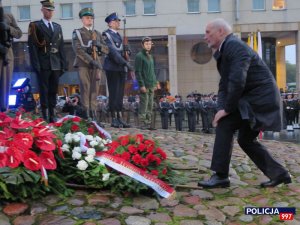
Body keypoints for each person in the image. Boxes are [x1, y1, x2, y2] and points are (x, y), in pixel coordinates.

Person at [198, 18, 291, 189]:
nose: (205, 37)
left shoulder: (234, 46)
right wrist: (221, 108)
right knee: (246, 139)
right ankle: (279, 174)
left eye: (208, 32)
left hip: (259, 100)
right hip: (253, 100)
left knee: (225, 125)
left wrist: (226, 110)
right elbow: (224, 86)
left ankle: (220, 176)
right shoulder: (226, 49)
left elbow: (237, 81)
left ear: (220, 32)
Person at [28, 0, 67, 122]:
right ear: (42, 10)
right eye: (47, 10)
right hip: (43, 63)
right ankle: (44, 113)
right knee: (43, 90)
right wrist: (36, 65)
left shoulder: (57, 27)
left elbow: (61, 47)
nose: (49, 12)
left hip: (55, 63)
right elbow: (33, 47)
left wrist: (64, 64)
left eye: (51, 10)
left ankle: (52, 112)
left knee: (53, 89)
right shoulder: (35, 26)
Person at [72, 7, 108, 121]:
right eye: (87, 17)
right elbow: (78, 49)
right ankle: (86, 112)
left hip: (96, 65)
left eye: (91, 17)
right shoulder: (77, 32)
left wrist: (99, 45)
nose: (89, 20)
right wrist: (91, 60)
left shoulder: (97, 33)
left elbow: (107, 50)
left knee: (94, 89)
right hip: (83, 64)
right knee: (85, 87)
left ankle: (93, 112)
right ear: (82, 19)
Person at [103, 12, 133, 128]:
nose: (118, 23)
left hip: (121, 68)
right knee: (114, 93)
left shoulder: (120, 36)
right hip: (112, 67)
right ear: (110, 23)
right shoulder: (106, 35)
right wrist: (125, 62)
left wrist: (128, 52)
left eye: (118, 21)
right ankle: (114, 118)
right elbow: (112, 52)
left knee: (120, 94)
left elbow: (126, 49)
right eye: (116, 21)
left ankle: (120, 117)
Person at [0, 4, 22, 112]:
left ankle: (4, 112)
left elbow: (19, 33)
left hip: (7, 54)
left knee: (6, 85)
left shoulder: (8, 16)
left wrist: (8, 28)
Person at [135, 37, 159, 130]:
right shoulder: (139, 56)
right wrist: (141, 85)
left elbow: (152, 71)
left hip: (151, 84)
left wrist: (155, 83)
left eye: (149, 44)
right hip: (144, 85)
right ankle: (142, 123)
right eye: (146, 44)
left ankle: (148, 123)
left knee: (150, 104)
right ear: (142, 45)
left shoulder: (150, 56)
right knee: (144, 104)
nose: (148, 46)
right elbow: (138, 72)